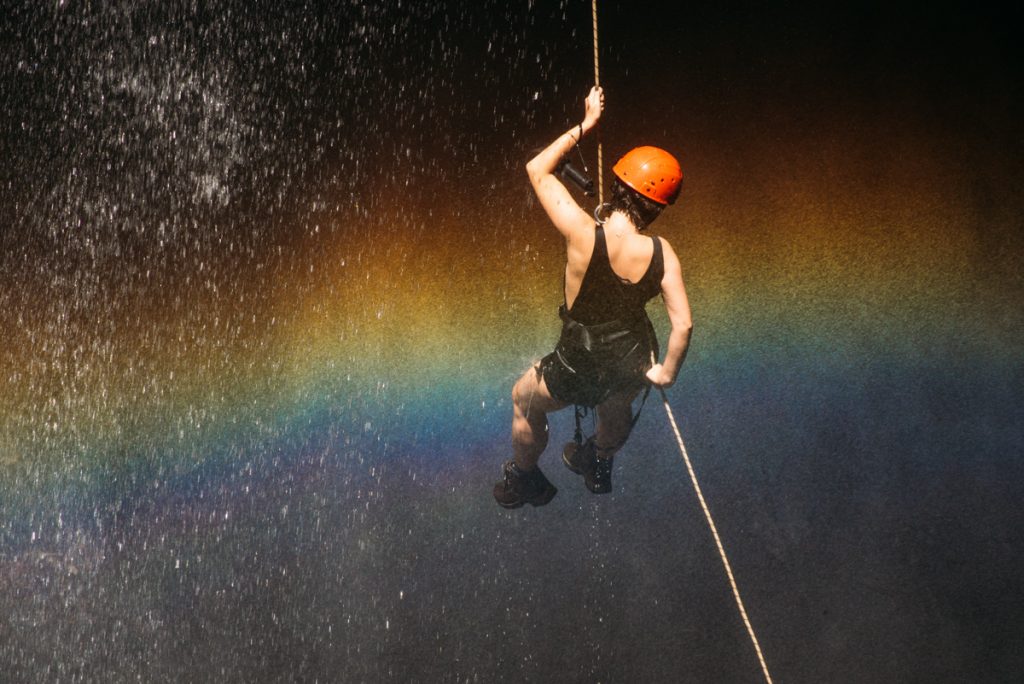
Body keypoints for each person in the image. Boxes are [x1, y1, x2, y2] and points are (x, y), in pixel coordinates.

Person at [493, 86, 693, 508]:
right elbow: (683, 325)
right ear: (658, 207)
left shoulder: (584, 233)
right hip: (630, 357)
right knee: (619, 395)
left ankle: (525, 478)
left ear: (618, 183)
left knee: (523, 398)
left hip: (578, 362)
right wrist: (667, 373)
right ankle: (598, 461)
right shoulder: (662, 252)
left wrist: (586, 125)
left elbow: (537, 169)